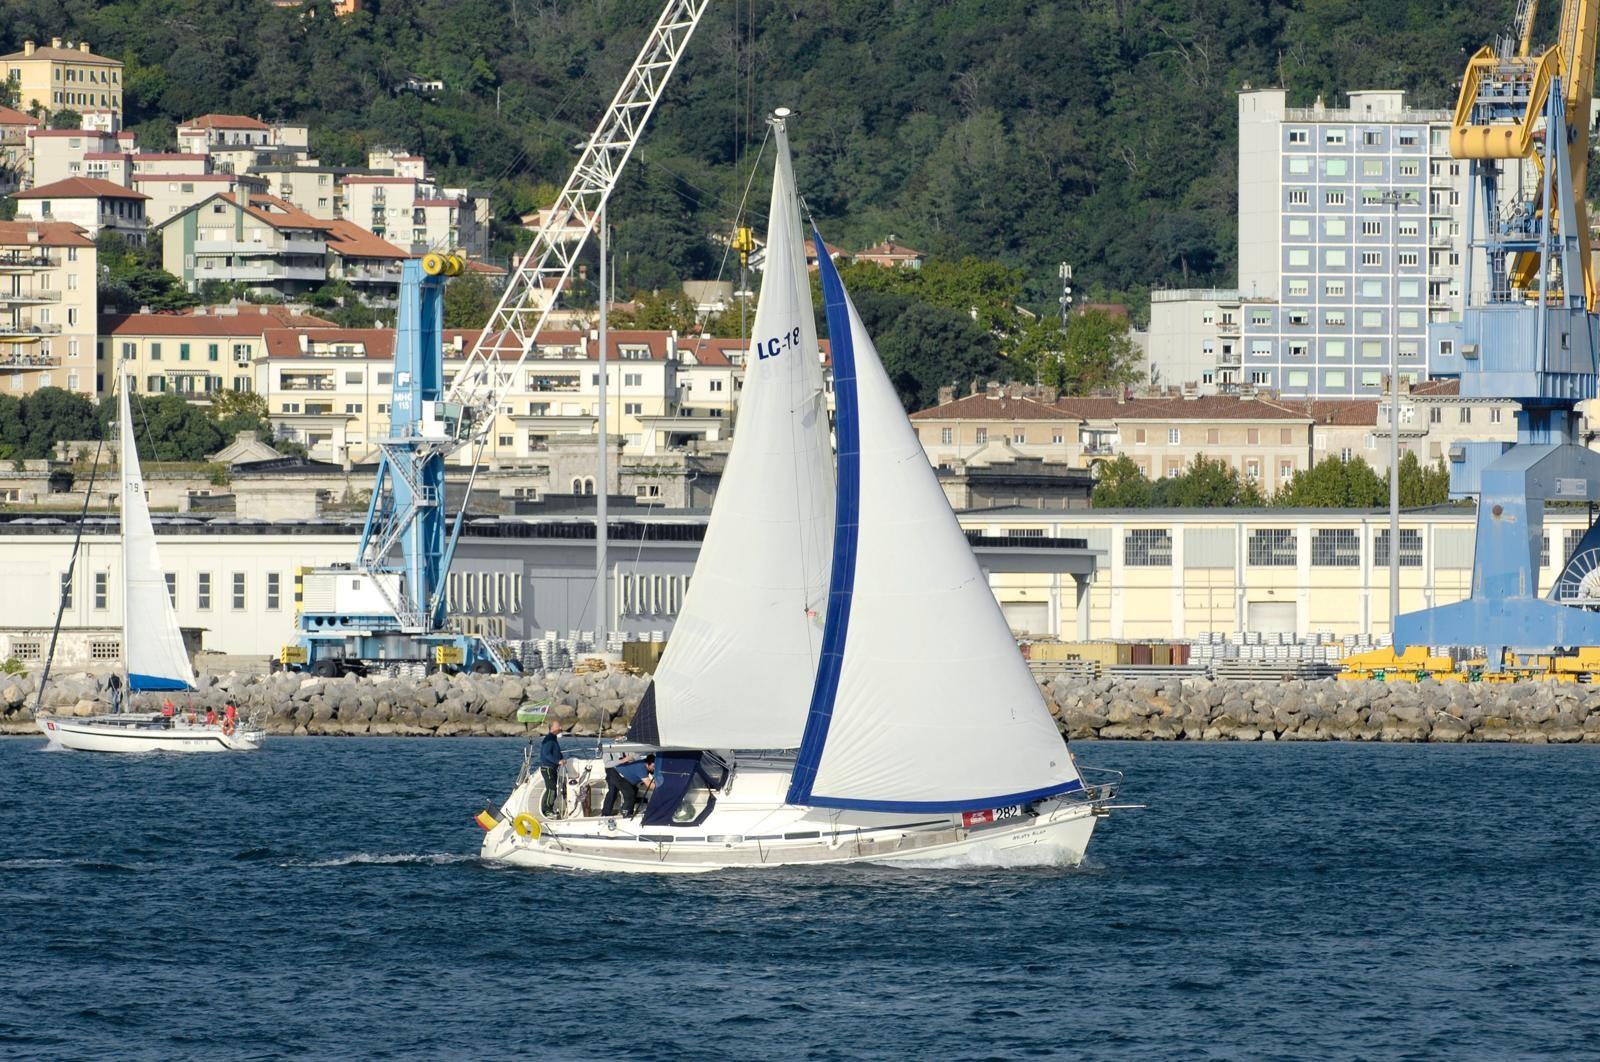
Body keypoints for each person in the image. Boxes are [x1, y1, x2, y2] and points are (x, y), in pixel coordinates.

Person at [602, 754, 655, 818]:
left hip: (621, 775)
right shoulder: (642, 768)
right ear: (648, 763)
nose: (654, 768)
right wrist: (662, 788)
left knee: (633, 790)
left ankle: (628, 810)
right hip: (618, 775)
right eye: (654, 766)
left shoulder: (644, 764)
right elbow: (650, 785)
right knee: (629, 793)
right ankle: (625, 813)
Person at [539, 721, 566, 817]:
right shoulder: (549, 739)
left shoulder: (554, 738)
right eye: (558, 726)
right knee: (551, 789)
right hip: (547, 768)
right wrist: (557, 761)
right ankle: (547, 811)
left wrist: (561, 758)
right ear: (552, 728)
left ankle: (549, 809)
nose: (561, 727)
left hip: (552, 768)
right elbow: (546, 754)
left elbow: (556, 752)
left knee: (553, 789)